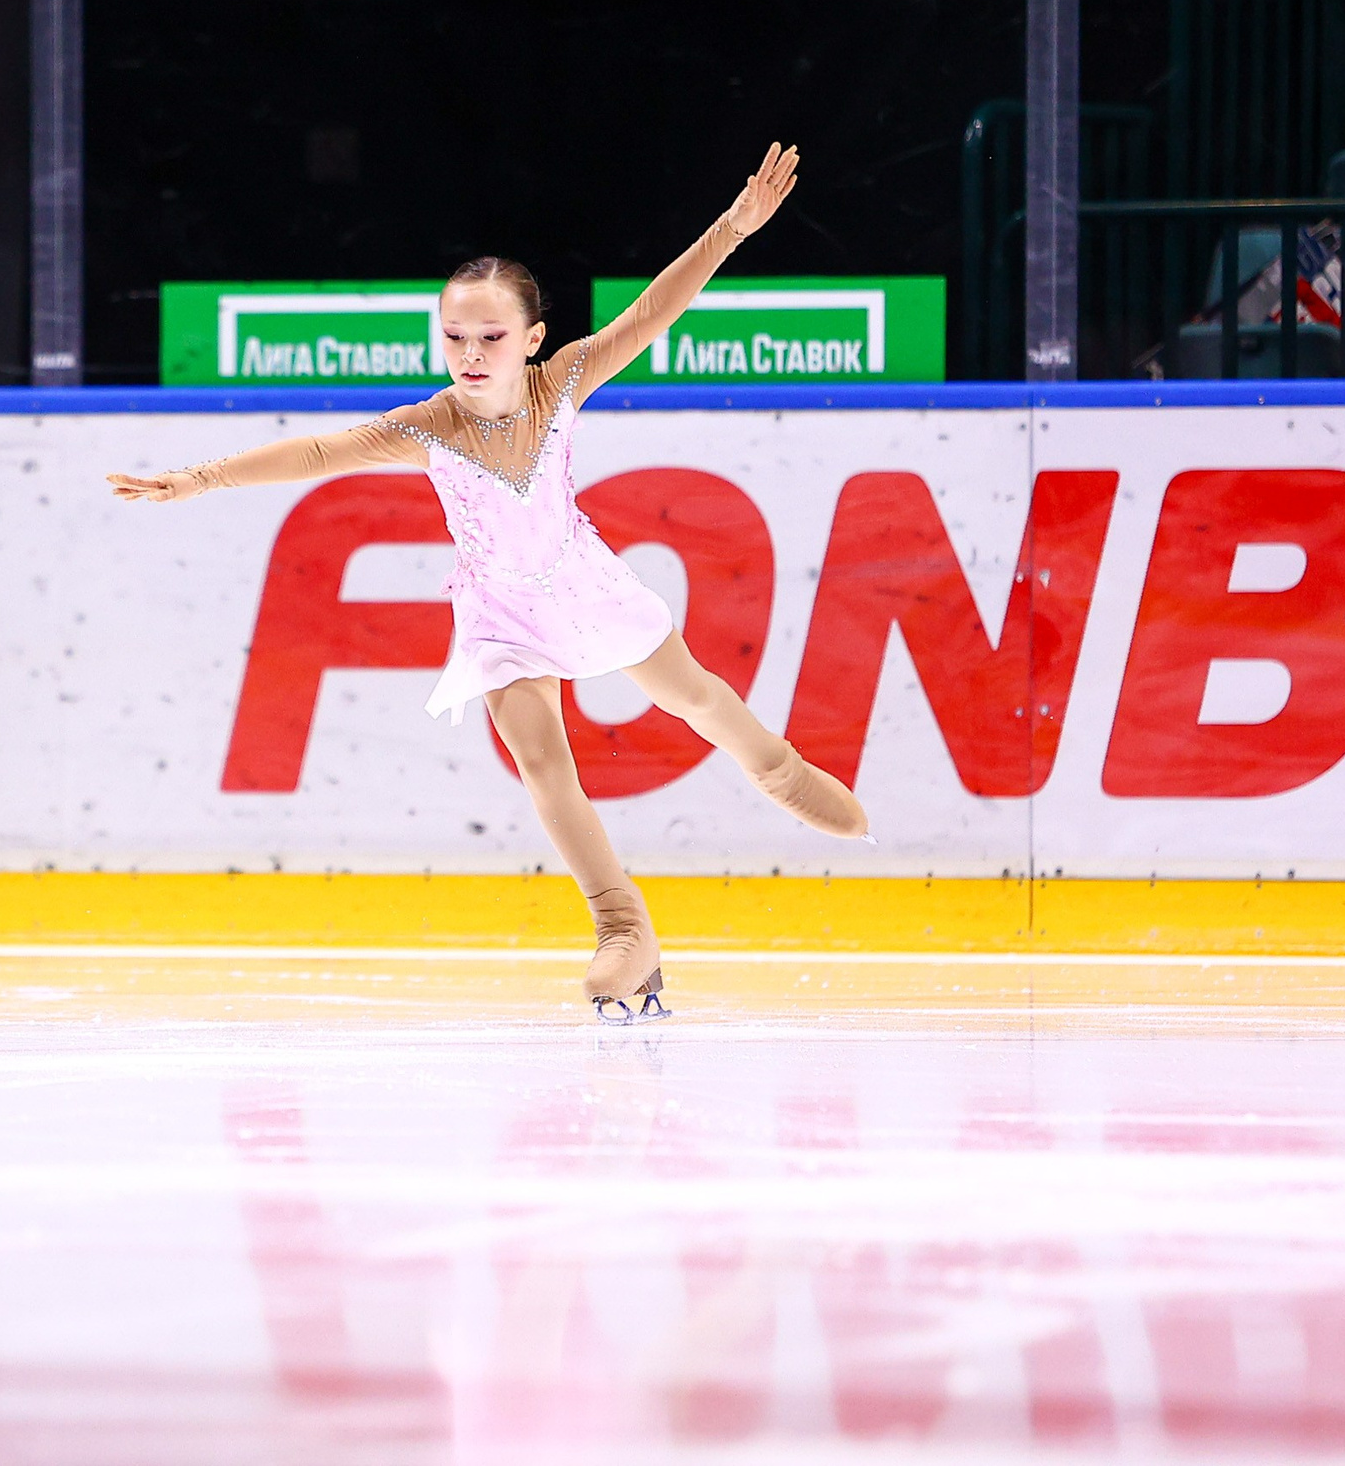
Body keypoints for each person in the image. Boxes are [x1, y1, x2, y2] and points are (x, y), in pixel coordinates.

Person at [110, 143, 869, 1020]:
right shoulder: (428, 424)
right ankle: (623, 928)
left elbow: (656, 312)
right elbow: (317, 453)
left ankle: (775, 766)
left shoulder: (565, 382)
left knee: (694, 696)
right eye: (456, 337)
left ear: (532, 339)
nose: (471, 353)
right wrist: (198, 478)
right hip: (503, 615)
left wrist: (733, 229)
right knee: (543, 763)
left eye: (491, 336)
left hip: (582, 585)